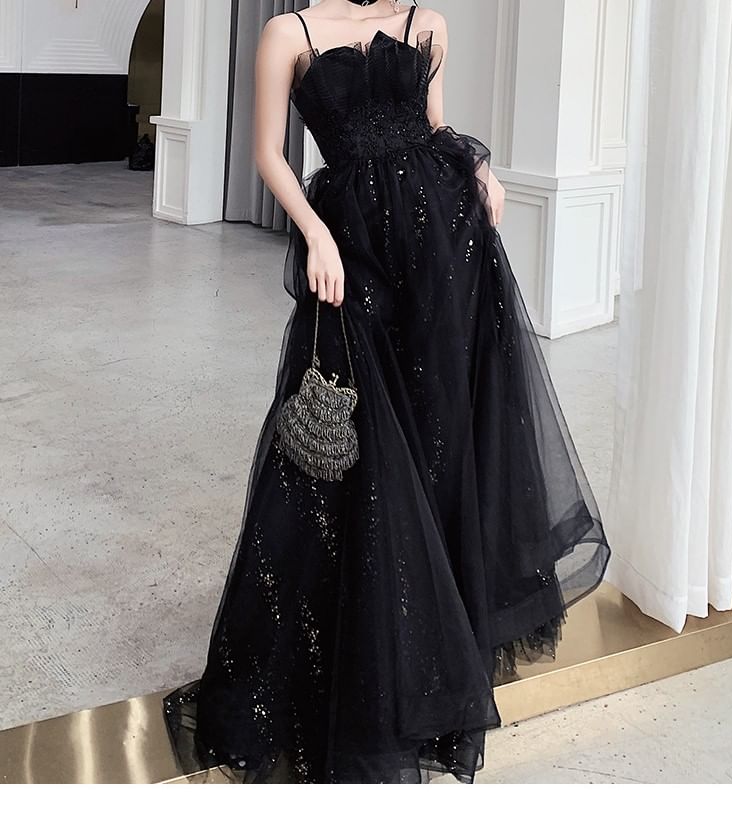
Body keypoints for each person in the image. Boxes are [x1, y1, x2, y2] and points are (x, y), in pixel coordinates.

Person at [163, 0, 611, 784]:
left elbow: (434, 127)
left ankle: (436, 645)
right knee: (357, 447)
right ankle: (367, 660)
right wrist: (315, 231)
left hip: (445, 244)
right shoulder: (288, 33)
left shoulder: (424, 21)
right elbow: (268, 153)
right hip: (354, 244)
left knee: (442, 437)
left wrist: (478, 168)